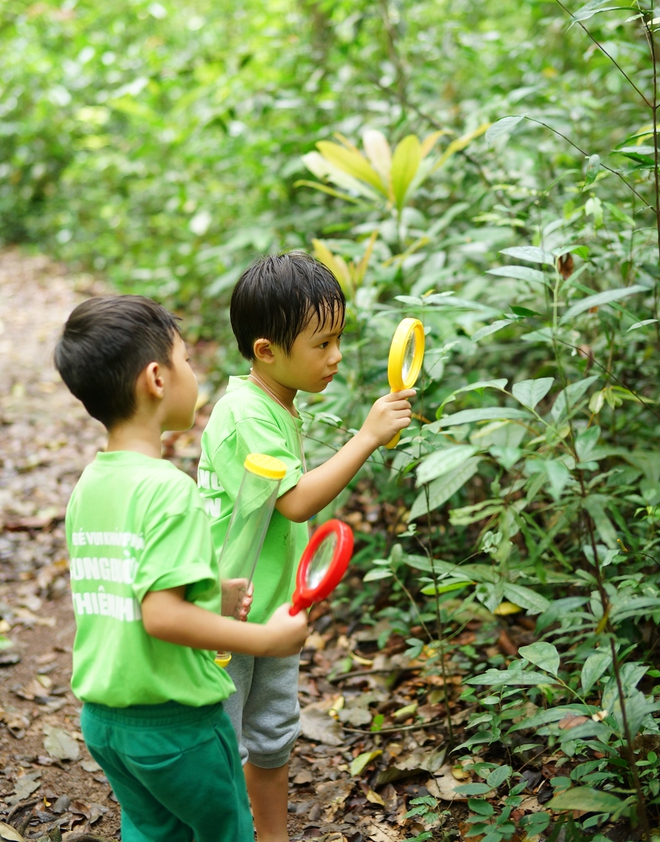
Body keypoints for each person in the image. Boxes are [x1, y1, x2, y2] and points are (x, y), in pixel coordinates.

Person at [54, 295, 308, 842]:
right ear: (156, 379)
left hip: (104, 721)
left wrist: (209, 593)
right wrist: (264, 638)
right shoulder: (171, 490)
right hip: (176, 727)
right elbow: (162, 617)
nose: (195, 372)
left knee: (152, 830)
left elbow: (127, 588)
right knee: (227, 832)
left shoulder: (90, 487)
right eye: (187, 360)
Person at [198, 252, 415, 842]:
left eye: (338, 339)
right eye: (322, 344)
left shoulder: (278, 403)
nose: (336, 356)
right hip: (227, 614)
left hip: (275, 608)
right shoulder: (244, 412)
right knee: (220, 742)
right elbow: (293, 502)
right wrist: (368, 436)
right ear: (267, 350)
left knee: (272, 734)